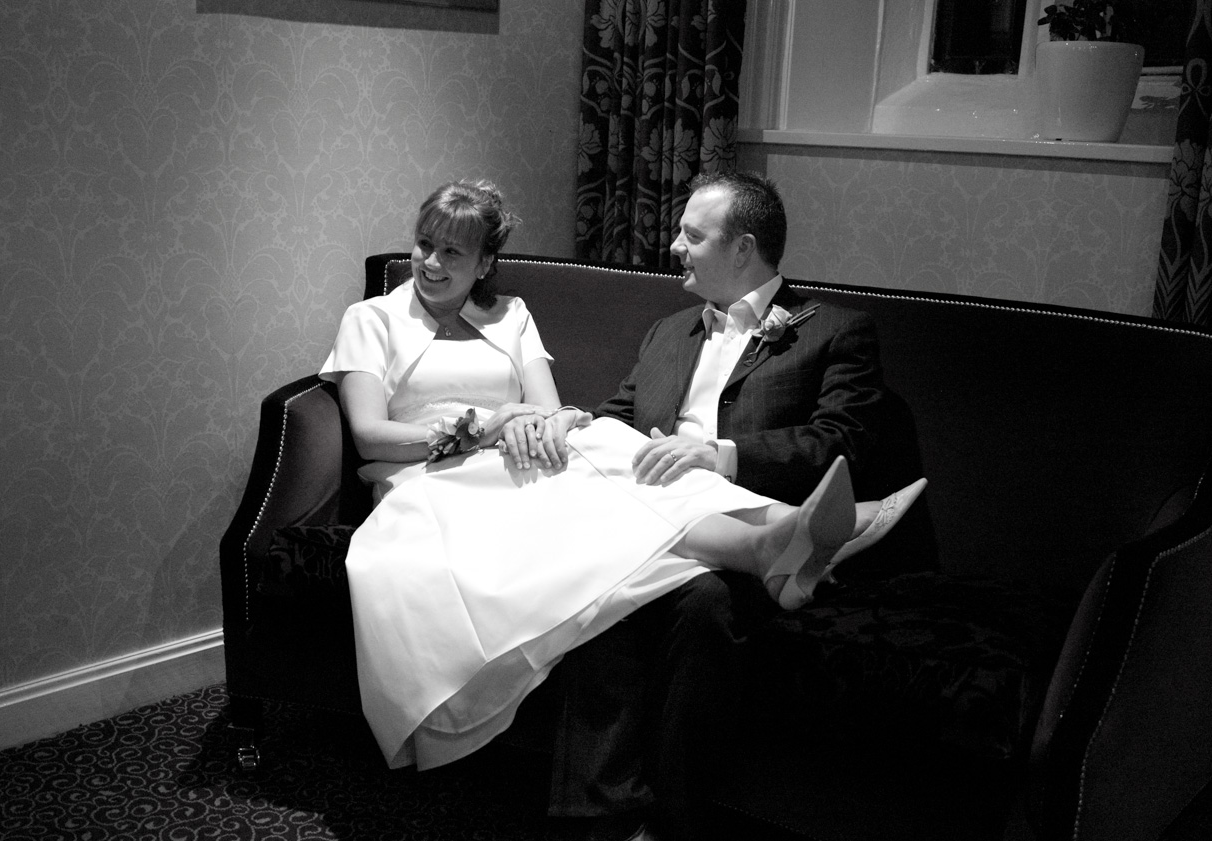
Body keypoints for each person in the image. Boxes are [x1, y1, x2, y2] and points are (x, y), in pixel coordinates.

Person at [318, 179, 922, 777]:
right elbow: (370, 434)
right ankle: (776, 539)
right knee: (604, 461)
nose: (430, 261)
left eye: (452, 250)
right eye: (425, 244)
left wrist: (555, 426)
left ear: (485, 264)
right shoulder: (374, 319)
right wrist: (495, 428)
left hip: (527, 469)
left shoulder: (830, 329)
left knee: (602, 490)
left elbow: (556, 414)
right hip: (437, 477)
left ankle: (775, 539)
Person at [543, 171, 925, 841]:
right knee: (602, 581)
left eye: (692, 235)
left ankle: (663, 823)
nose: (673, 246)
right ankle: (605, 823)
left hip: (730, 528)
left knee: (701, 606)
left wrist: (720, 455)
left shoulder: (834, 331)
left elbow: (842, 443)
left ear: (743, 248)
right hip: (647, 519)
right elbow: (617, 419)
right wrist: (574, 424)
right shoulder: (666, 332)